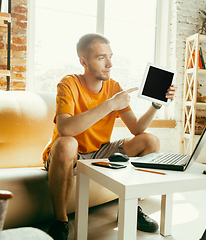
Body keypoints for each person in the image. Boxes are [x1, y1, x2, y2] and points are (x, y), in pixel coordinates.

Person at [41, 33, 176, 240]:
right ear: (83, 61)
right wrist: (110, 104)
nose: (110, 63)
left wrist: (156, 104)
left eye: (110, 56)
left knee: (151, 140)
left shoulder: (114, 87)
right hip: (69, 154)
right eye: (101, 58)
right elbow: (65, 129)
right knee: (67, 143)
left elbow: (137, 129)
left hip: (100, 151)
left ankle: (130, 209)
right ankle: (60, 222)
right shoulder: (68, 84)